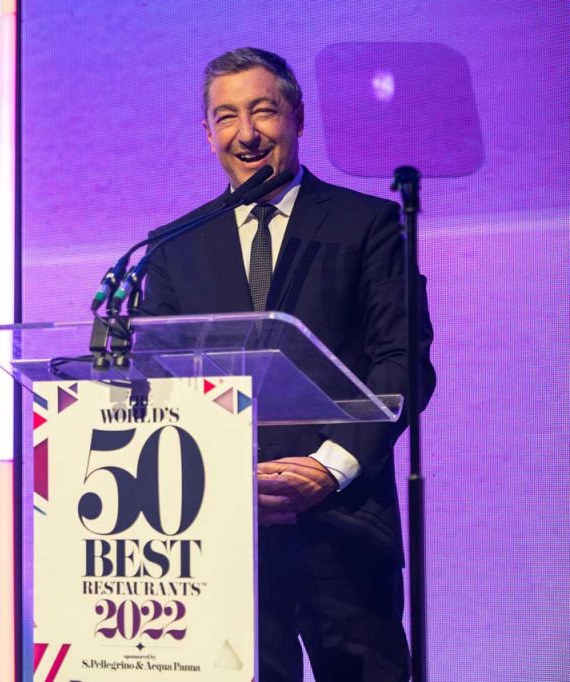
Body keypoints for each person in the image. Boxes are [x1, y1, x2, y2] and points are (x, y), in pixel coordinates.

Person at [141, 47, 435, 682]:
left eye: (263, 111)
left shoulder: (369, 225)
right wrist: (221, 479)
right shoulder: (172, 246)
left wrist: (327, 470)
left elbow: (401, 363)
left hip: (345, 523)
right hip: (218, 532)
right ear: (208, 132)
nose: (246, 134)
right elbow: (156, 383)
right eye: (226, 117)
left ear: (297, 117)